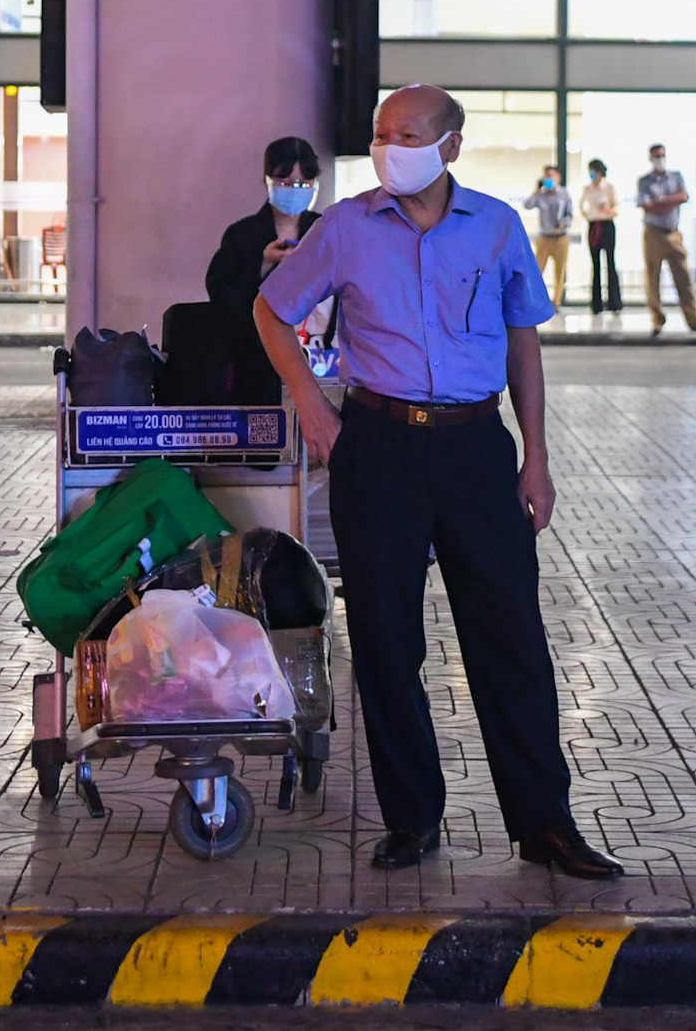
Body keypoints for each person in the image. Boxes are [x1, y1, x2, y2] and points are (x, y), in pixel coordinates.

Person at [253, 83, 624, 880]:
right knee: (387, 643)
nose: (391, 146)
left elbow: (524, 341)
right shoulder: (348, 225)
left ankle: (544, 824)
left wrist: (537, 455)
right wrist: (313, 408)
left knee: (511, 639)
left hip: (475, 449)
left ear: (451, 143)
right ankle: (412, 817)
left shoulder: (495, 226)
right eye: (382, 132)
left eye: (409, 133)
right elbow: (271, 310)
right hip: (378, 446)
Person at [205, 136, 324, 399]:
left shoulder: (323, 228)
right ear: (267, 180)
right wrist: (264, 264)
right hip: (255, 355)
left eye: (303, 183)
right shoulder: (242, 234)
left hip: (318, 354)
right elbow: (221, 294)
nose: (295, 190)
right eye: (285, 183)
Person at [636, 144, 696, 338]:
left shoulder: (675, 176)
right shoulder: (645, 181)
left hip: (673, 233)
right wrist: (671, 200)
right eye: (656, 156)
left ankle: (695, 321)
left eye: (662, 155)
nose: (660, 159)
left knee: (684, 279)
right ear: (651, 158)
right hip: (653, 233)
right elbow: (647, 206)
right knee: (653, 278)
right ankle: (657, 321)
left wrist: (661, 201)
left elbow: (683, 196)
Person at [522, 165, 573, 305]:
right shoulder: (541, 195)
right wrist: (536, 190)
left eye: (550, 176)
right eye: (546, 176)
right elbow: (527, 205)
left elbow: (569, 214)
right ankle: (534, 300)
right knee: (537, 270)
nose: (548, 179)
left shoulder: (564, 194)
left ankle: (556, 301)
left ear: (558, 177)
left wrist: (564, 224)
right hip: (544, 237)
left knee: (559, 271)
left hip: (560, 237)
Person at [580, 158, 622, 314]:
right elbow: (582, 205)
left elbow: (616, 209)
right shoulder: (588, 189)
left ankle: (614, 302)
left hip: (606, 225)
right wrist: (588, 214)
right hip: (593, 226)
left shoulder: (609, 187)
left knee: (610, 263)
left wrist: (606, 210)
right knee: (595, 265)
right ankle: (596, 303)